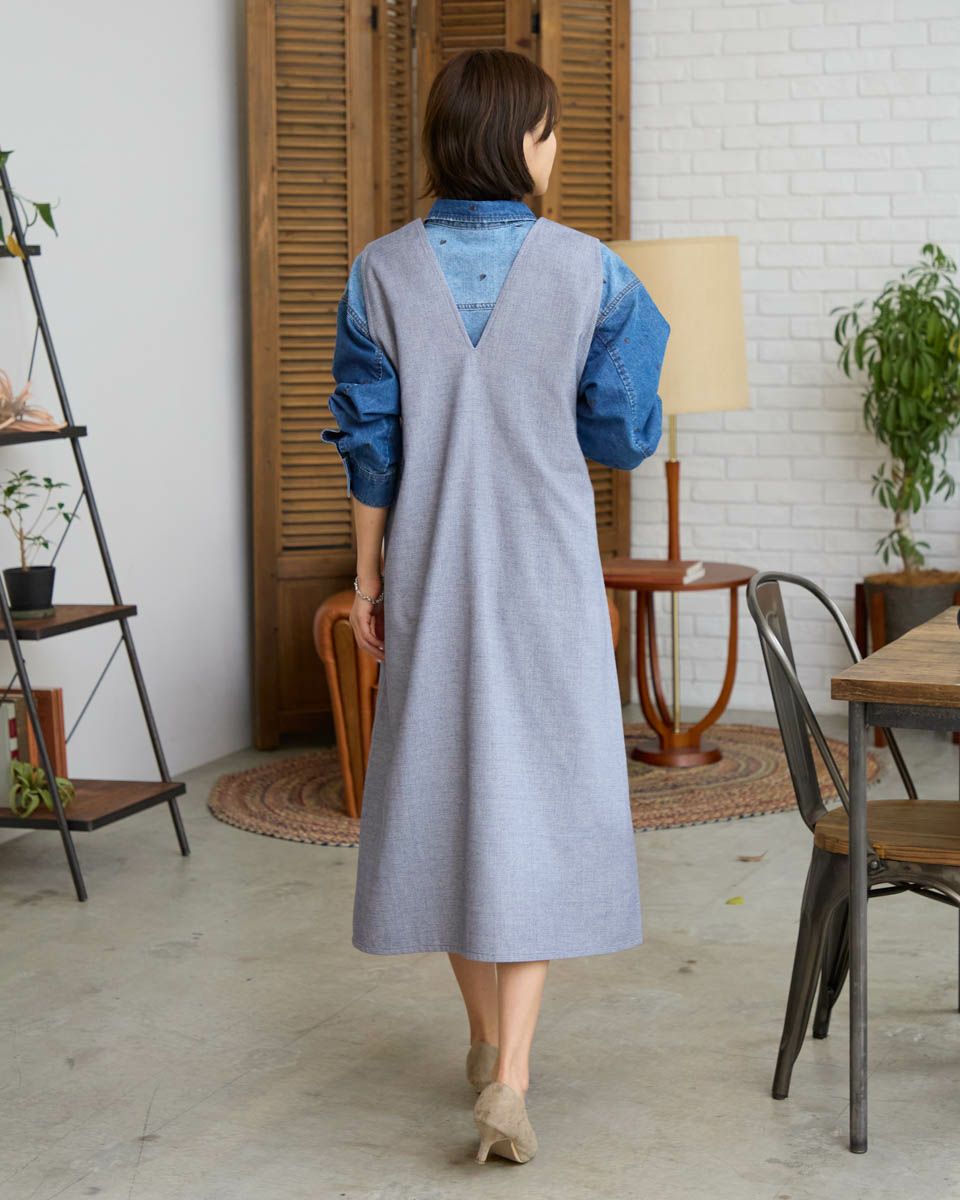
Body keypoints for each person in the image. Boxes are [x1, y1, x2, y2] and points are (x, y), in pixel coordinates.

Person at [320, 48, 670, 1165]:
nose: (554, 149)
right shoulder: (591, 273)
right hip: (549, 576)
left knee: (445, 798)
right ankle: (511, 1074)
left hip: (431, 573)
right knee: (541, 806)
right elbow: (624, 432)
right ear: (519, 141)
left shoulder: (378, 272)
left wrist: (368, 584)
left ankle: (481, 1043)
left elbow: (370, 452)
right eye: (550, 130)